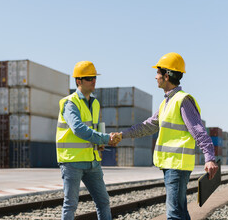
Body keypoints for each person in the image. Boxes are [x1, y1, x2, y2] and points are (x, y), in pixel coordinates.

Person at [111, 52, 218, 220]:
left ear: (166, 75)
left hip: (177, 165)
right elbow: (147, 126)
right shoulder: (166, 103)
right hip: (172, 165)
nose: (155, 77)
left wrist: (209, 157)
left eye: (158, 73)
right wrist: (122, 135)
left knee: (174, 213)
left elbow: (198, 130)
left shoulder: (182, 100)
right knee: (180, 211)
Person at [56, 61, 116, 220]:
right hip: (72, 161)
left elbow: (95, 125)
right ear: (78, 81)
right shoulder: (70, 103)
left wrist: (101, 141)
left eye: (94, 77)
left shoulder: (95, 102)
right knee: (70, 204)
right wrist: (105, 138)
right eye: (89, 78)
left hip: (92, 161)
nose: (93, 80)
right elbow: (78, 128)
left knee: (103, 201)